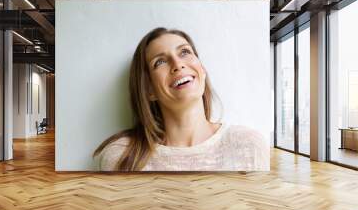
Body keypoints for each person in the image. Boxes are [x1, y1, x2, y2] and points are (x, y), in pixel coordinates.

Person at [93, 27, 269, 171]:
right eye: (160, 62)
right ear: (149, 90)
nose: (178, 64)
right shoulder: (121, 156)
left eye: (184, 52)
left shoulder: (249, 145)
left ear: (202, 70)